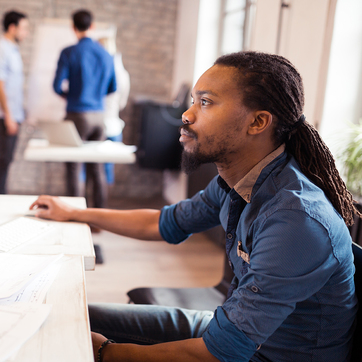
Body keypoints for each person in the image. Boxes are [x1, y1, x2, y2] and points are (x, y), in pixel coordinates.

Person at [31, 51, 360, 362]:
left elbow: (219, 353)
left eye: (206, 102)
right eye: (193, 101)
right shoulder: (235, 182)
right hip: (229, 331)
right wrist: (74, 213)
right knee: (70, 315)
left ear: (258, 122)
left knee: (68, 339)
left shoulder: (296, 222)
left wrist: (106, 353)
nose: (187, 115)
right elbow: (162, 223)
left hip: (265, 354)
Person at [53, 9, 117, 208]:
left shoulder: (69, 52)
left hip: (77, 115)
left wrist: (71, 96)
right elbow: (113, 87)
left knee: (73, 166)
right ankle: (98, 219)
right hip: (99, 116)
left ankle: (74, 215)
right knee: (96, 167)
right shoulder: (106, 54)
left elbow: (56, 86)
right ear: (93, 26)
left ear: (73, 27)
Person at [0, 10, 29, 194]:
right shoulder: (2, 49)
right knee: (2, 162)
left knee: (6, 162)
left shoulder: (12, 49)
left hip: (13, 115)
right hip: (4, 117)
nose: (26, 32)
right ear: (12, 28)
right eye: (24, 28)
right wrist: (9, 116)